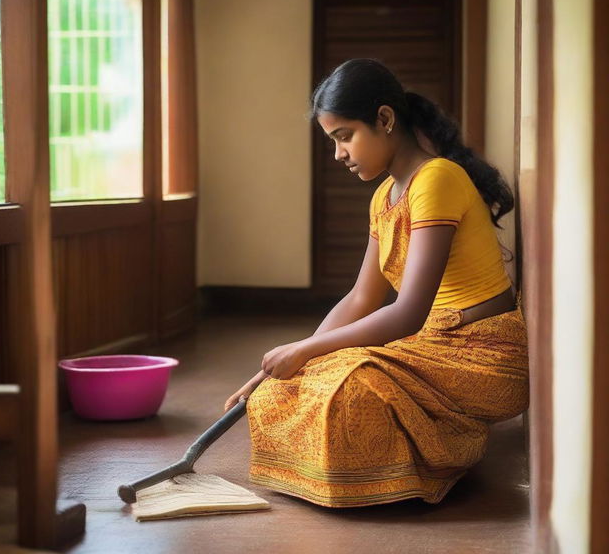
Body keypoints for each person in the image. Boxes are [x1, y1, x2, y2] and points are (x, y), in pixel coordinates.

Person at [224, 58, 529, 508]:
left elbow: (407, 313)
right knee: (281, 391)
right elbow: (362, 297)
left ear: (384, 119)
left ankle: (441, 452)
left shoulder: (437, 179)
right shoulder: (384, 197)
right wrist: (271, 368)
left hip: (481, 353)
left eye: (344, 137)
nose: (338, 154)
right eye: (333, 141)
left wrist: (305, 351)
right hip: (431, 346)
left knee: (349, 395)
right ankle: (414, 448)